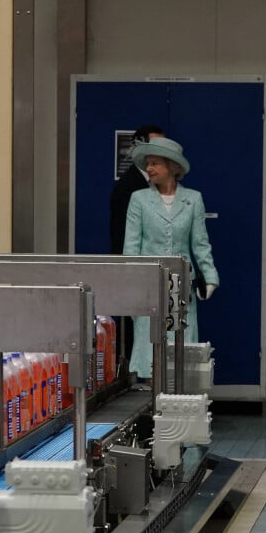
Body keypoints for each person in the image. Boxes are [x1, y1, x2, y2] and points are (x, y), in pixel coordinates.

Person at [123, 137, 219, 380]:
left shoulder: (193, 199)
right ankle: (150, 403)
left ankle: (178, 401)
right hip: (148, 283)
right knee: (148, 345)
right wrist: (130, 282)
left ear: (172, 167)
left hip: (180, 284)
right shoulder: (139, 199)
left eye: (155, 163)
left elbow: (200, 243)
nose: (150, 169)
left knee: (180, 344)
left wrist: (209, 276)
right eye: (148, 164)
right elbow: (131, 246)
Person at [109, 125, 164, 367]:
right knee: (133, 331)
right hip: (135, 268)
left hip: (155, 269)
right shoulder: (128, 187)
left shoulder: (159, 184)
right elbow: (123, 235)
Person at [109, 124, 164, 255]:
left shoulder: (162, 182)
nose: (162, 152)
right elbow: (122, 234)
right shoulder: (127, 187)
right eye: (156, 146)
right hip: (137, 265)